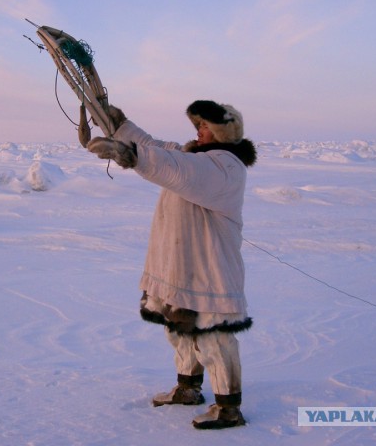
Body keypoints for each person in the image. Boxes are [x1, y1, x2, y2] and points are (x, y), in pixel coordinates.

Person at [87, 100, 256, 429]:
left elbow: (176, 168)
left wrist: (133, 155)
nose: (198, 130)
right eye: (198, 125)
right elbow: (157, 148)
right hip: (179, 266)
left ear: (223, 131)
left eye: (205, 126)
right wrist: (119, 126)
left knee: (214, 336)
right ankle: (188, 389)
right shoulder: (194, 154)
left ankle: (228, 408)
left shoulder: (225, 167)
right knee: (178, 330)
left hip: (209, 270)